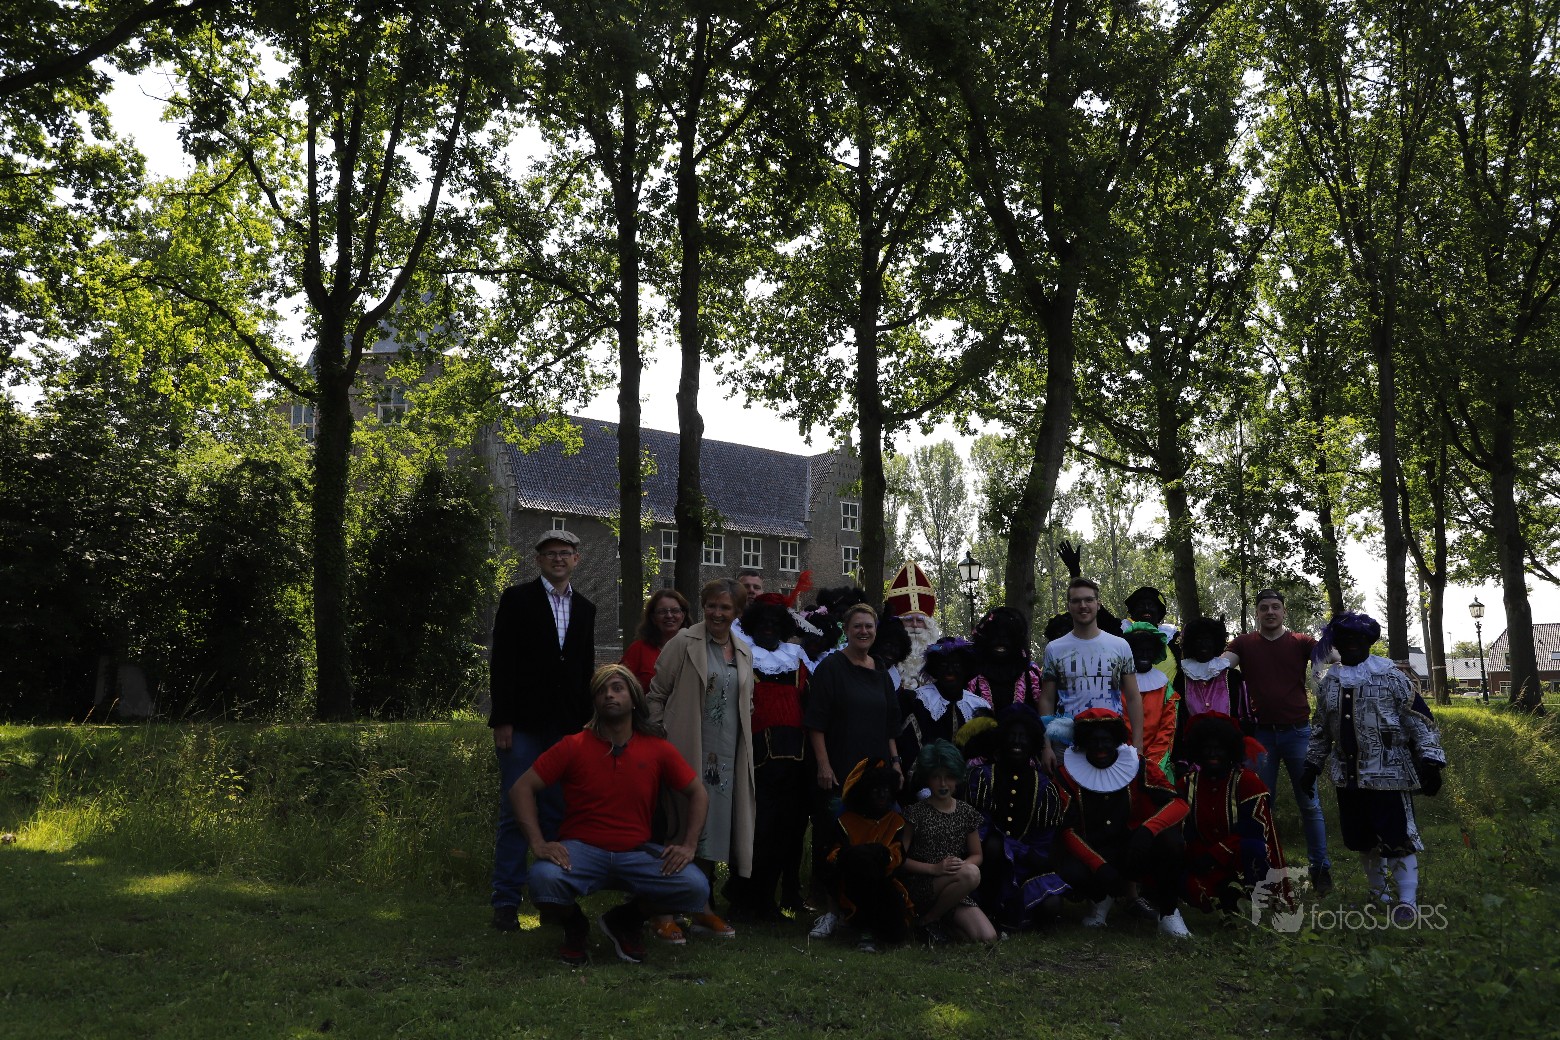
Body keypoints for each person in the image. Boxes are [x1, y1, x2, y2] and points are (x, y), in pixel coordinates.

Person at [514, 664, 711, 965]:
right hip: (581, 851)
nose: (609, 695)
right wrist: (538, 843)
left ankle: (625, 920)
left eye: (617, 688)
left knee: (695, 886)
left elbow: (698, 792)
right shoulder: (573, 746)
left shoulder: (658, 749)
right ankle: (575, 925)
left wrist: (689, 845)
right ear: (594, 701)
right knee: (543, 878)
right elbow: (521, 788)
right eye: (601, 691)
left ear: (634, 699)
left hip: (636, 853)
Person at [1303, 612, 1447, 925]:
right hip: (1348, 777)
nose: (1352, 644)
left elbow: (1419, 719)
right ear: (1337, 644)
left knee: (1397, 837)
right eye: (1345, 640)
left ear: (1369, 642)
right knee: (1363, 838)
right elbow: (1321, 728)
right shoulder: (1329, 683)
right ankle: (1377, 892)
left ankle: (1406, 900)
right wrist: (1312, 763)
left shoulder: (1391, 676)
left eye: (1358, 639)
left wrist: (1431, 759)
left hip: (1389, 774)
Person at [487, 529, 596, 932]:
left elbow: (584, 669)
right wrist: (503, 718)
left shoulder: (585, 608)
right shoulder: (517, 599)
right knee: (515, 811)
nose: (558, 559)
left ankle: (552, 899)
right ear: (538, 560)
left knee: (556, 811)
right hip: (523, 724)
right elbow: (503, 662)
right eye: (550, 553)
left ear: (576, 560)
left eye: (565, 553)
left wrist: (587, 724)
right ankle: (505, 901)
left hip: (567, 726)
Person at [646, 577, 754, 943]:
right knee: (679, 827)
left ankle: (700, 908)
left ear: (737, 612)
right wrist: (662, 739)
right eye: (711, 605)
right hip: (686, 749)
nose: (717, 613)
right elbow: (656, 695)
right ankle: (662, 912)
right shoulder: (683, 642)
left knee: (710, 833)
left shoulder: (743, 651)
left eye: (725, 607)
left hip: (725, 756)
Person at [1223, 588, 1333, 895]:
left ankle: (1320, 869)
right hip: (1260, 736)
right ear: (1257, 613)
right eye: (1264, 608)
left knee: (1309, 804)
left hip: (1298, 733)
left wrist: (1336, 637)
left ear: (1284, 611)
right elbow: (1221, 664)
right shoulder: (1243, 643)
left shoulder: (1301, 641)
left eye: (1275, 607)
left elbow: (1334, 656)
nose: (1270, 612)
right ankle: (1261, 870)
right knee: (1258, 805)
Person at [804, 603, 903, 939]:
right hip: (841, 770)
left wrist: (896, 763)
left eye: (869, 626)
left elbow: (890, 725)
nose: (864, 631)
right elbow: (816, 722)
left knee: (876, 841)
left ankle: (867, 910)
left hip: (877, 775)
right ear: (846, 630)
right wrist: (823, 764)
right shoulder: (831, 668)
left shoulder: (881, 671)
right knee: (835, 840)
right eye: (857, 626)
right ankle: (831, 911)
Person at [1053, 708, 1193, 938]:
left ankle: (1169, 913)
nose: (1100, 746)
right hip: (1093, 852)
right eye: (1093, 740)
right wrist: (1098, 865)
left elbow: (1179, 804)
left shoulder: (1139, 765)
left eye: (1106, 740)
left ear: (1117, 740)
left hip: (1133, 848)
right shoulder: (1066, 773)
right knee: (1072, 871)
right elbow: (1066, 830)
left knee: (1171, 843)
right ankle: (1099, 898)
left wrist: (1148, 830)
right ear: (1083, 742)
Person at [729, 592, 811, 920]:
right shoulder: (742, 656)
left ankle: (767, 899)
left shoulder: (796, 658)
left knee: (785, 832)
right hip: (754, 755)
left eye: (774, 623)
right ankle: (743, 898)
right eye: (762, 622)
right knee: (755, 829)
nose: (768, 628)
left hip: (795, 757)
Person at [961, 706, 1069, 934]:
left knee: (1052, 904)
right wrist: (1008, 848)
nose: (1017, 742)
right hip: (989, 864)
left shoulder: (1045, 788)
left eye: (1023, 737)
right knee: (993, 845)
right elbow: (978, 828)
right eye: (1012, 735)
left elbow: (1043, 843)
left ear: (1033, 743)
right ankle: (988, 908)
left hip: (1024, 868)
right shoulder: (983, 777)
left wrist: (1023, 855)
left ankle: (1017, 914)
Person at [1176, 712, 1285, 916]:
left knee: (1255, 848)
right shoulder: (1186, 784)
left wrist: (1215, 854)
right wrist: (1201, 857)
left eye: (1219, 748)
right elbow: (1185, 833)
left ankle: (1254, 900)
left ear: (1231, 750)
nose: (1213, 754)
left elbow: (1254, 831)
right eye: (1207, 748)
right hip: (1203, 863)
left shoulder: (1248, 782)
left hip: (1241, 860)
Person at [1039, 579, 1144, 771]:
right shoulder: (1054, 649)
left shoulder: (1120, 646)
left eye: (1088, 600)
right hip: (1067, 743)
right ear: (1068, 606)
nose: (1083, 605)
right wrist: (1046, 746)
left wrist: (1138, 744)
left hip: (1110, 741)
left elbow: (1133, 697)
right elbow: (1047, 699)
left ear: (1098, 603)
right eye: (1076, 601)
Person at [900, 740, 998, 944]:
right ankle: (927, 920)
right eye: (936, 777)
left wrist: (960, 868)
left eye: (949, 777)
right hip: (923, 885)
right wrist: (935, 869)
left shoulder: (966, 812)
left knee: (988, 937)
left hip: (956, 886)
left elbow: (977, 855)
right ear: (927, 778)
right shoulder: (914, 813)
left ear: (958, 777)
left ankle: (936, 924)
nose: (943, 784)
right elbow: (900, 859)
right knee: (971, 874)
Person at [818, 758, 914, 952]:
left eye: (886, 789)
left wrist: (881, 856)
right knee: (861, 863)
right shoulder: (846, 821)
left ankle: (873, 928)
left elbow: (897, 855)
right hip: (851, 882)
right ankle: (862, 929)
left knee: (895, 932)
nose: (882, 795)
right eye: (876, 790)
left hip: (884, 881)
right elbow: (832, 856)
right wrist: (854, 856)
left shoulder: (895, 821)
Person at [898, 637, 989, 793]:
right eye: (943, 665)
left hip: (968, 790)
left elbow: (984, 753)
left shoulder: (978, 706)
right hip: (928, 790)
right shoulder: (919, 701)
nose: (950, 670)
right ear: (935, 669)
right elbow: (910, 749)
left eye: (956, 665)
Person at [1123, 621, 1179, 781]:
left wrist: (1151, 764)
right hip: (1120, 763)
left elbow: (1167, 730)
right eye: (1138, 650)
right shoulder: (1116, 685)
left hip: (1157, 765)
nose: (1144, 654)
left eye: (1149, 650)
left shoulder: (1165, 688)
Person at [968, 606, 1044, 711]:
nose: (1000, 641)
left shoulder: (1030, 675)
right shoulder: (973, 675)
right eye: (994, 636)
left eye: (1007, 636)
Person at [883, 560, 943, 692]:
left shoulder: (941, 659)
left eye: (920, 620)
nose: (915, 625)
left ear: (928, 625)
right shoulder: (885, 660)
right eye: (909, 620)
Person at [621, 589, 691, 693]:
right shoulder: (638, 650)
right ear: (653, 618)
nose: (669, 615)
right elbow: (620, 684)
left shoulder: (695, 649)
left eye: (675, 611)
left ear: (683, 616)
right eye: (662, 611)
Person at [732, 570, 764, 645]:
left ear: (762, 592)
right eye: (745, 586)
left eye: (756, 587)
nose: (752, 590)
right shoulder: (726, 626)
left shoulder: (770, 626)